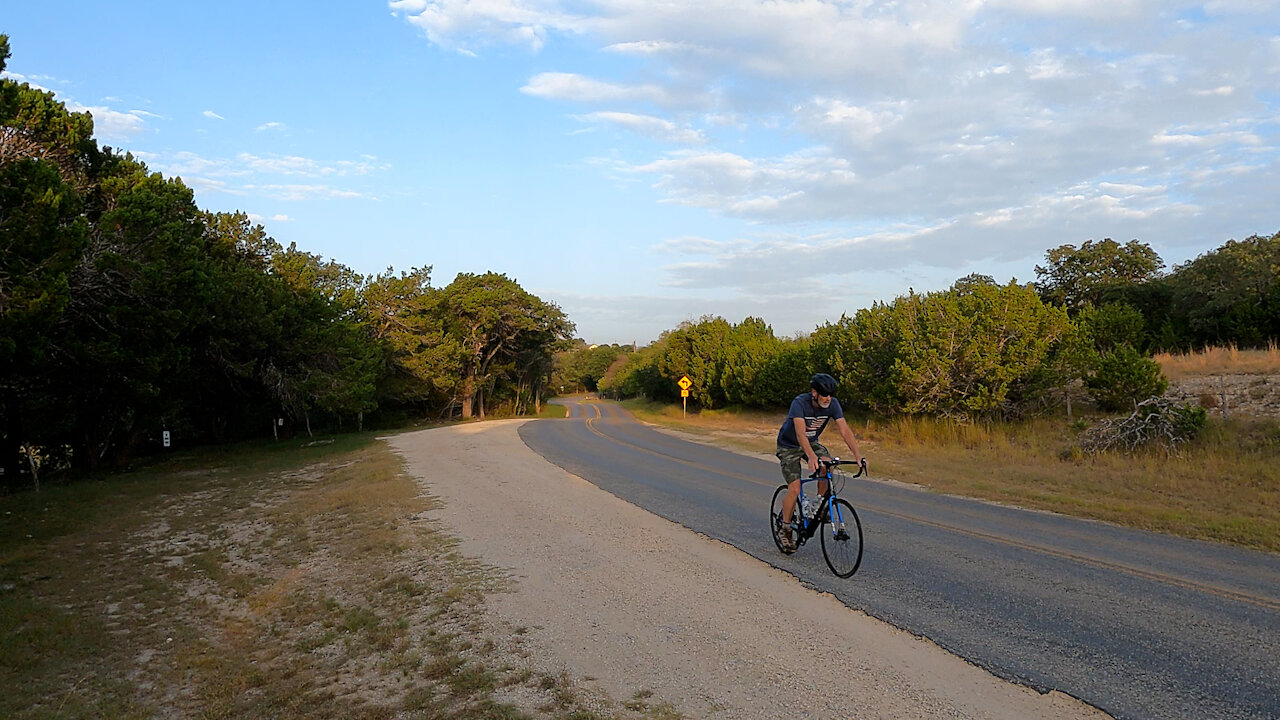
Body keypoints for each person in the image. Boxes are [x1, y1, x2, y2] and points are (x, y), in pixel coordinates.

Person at [775, 373, 865, 553]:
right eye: (824, 394)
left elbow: (844, 430)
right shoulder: (800, 403)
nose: (828, 398)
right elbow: (800, 434)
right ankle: (785, 529)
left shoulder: (833, 404)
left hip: (812, 443)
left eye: (830, 395)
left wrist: (857, 455)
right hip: (789, 446)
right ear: (814, 392)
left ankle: (818, 505)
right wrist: (810, 456)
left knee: (828, 465)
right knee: (795, 488)